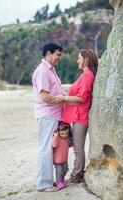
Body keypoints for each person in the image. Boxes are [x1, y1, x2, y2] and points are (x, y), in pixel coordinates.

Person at [52, 49, 98, 184]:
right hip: (76, 116)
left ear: (86, 60)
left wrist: (64, 98)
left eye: (79, 58)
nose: (77, 60)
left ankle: (76, 176)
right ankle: (76, 174)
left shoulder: (87, 76)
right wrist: (64, 94)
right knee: (76, 147)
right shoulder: (84, 75)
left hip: (80, 116)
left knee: (78, 148)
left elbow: (81, 98)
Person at [32, 43, 63, 192]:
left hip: (53, 116)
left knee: (51, 149)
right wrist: (65, 99)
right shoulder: (43, 71)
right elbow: (45, 97)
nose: (60, 58)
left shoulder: (51, 70)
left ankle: (49, 181)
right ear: (48, 53)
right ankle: (44, 184)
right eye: (58, 54)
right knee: (45, 149)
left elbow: (54, 93)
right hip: (47, 115)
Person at [52, 122, 73, 190]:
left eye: (66, 133)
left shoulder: (67, 139)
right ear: (58, 132)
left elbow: (69, 145)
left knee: (66, 169)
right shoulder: (57, 138)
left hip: (64, 159)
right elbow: (54, 145)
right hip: (57, 160)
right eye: (62, 134)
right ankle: (58, 183)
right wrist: (55, 136)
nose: (64, 135)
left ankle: (61, 178)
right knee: (59, 171)